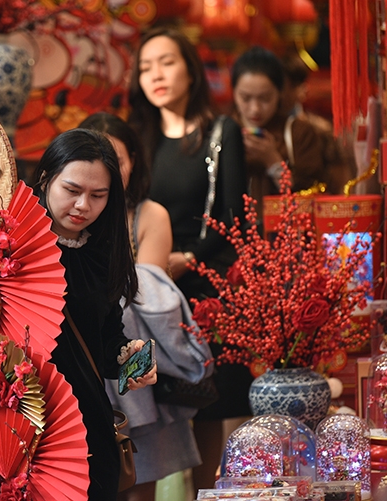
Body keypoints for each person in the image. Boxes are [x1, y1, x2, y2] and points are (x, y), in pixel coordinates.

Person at [127, 26, 251, 493]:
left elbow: (235, 218)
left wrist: (188, 259)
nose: (155, 74)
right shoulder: (135, 136)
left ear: (191, 69)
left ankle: (203, 493)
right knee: (141, 401)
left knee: (205, 405)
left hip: (200, 287)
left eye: (166, 62)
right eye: (145, 67)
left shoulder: (220, 133)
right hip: (139, 291)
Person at [80, 112, 209, 501]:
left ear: (134, 160)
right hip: (87, 357)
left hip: (133, 353)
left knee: (140, 474)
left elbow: (148, 290)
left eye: (116, 160)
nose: (106, 172)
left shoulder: (149, 214)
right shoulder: (76, 212)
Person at [31, 127, 157, 500]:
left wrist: (129, 358)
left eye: (98, 196)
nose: (83, 205)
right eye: (71, 191)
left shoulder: (102, 253)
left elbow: (104, 347)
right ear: (45, 179)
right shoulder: (9, 246)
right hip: (22, 424)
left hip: (86, 426)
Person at [231, 46, 325, 216]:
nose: (255, 109)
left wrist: (273, 161)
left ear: (279, 93)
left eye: (265, 98)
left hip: (284, 235)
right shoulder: (222, 131)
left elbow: (311, 196)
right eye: (245, 98)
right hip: (234, 234)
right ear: (234, 93)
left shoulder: (299, 132)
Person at [281, 54, 355, 194]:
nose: (280, 94)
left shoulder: (320, 130)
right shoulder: (266, 128)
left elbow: (340, 180)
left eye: (286, 87)